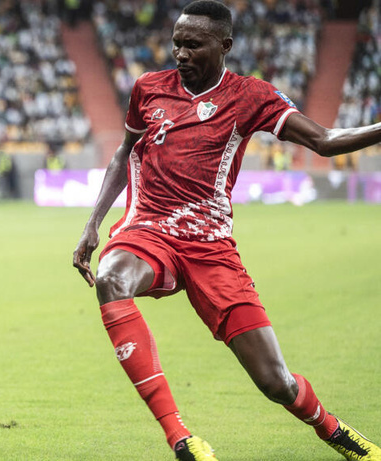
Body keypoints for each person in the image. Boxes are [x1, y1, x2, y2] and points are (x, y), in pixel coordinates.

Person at [71, 2, 381, 460]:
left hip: (211, 247)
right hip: (149, 229)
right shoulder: (148, 88)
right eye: (177, 43)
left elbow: (325, 141)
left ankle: (334, 432)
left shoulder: (250, 96)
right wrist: (93, 224)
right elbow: (124, 152)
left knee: (276, 383)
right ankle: (181, 438)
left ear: (224, 46)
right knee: (112, 277)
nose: (181, 53)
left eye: (193, 45)